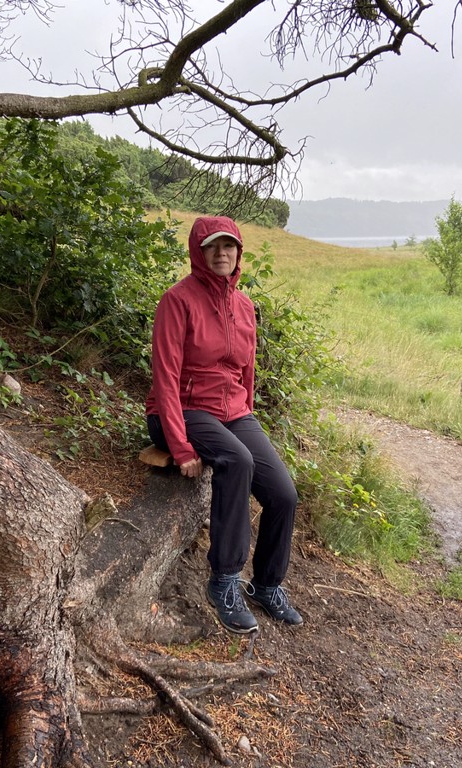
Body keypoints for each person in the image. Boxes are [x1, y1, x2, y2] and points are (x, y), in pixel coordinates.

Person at [145, 215, 303, 634]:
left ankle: (267, 584)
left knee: (284, 494)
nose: (221, 253)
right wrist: (180, 447)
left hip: (233, 412)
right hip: (179, 410)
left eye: (229, 246)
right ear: (198, 251)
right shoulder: (177, 301)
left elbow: (246, 371)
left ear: (239, 253)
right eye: (212, 246)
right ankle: (225, 580)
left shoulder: (245, 306)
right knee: (237, 460)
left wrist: (246, 412)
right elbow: (164, 376)